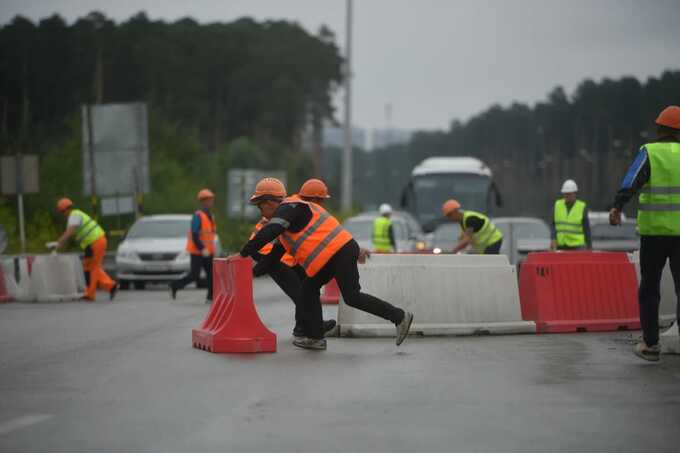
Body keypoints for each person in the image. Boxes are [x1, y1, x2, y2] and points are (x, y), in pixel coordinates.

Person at [240, 177, 414, 351]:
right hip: (335, 254)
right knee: (308, 289)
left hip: (339, 253)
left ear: (270, 202)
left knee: (351, 297)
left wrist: (243, 252)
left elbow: (270, 231)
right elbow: (273, 256)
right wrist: (248, 272)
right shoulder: (288, 221)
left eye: (260, 206)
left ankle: (399, 317)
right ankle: (315, 337)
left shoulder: (290, 207)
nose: (260, 211)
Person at [609, 105, 680, 362]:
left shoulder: (650, 152)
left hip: (655, 233)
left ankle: (651, 344)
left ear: (660, 129)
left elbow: (631, 181)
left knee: (650, 287)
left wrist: (618, 206)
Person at [52, 198, 118, 301]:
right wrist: (61, 245)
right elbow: (72, 234)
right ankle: (111, 286)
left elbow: (70, 232)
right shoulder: (75, 216)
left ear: (67, 209)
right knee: (87, 267)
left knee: (93, 268)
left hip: (96, 241)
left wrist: (58, 243)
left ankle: (90, 294)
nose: (62, 214)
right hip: (91, 243)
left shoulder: (74, 215)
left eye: (62, 211)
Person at [170, 189, 217, 302]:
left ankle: (211, 297)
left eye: (212, 200)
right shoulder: (198, 216)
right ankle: (175, 285)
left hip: (208, 252)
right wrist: (202, 249)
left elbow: (210, 235)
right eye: (209, 200)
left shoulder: (210, 216)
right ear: (203, 202)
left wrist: (208, 250)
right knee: (194, 275)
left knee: (212, 275)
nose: (211, 202)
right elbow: (195, 235)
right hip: (197, 251)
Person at [550, 179, 592, 251]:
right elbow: (553, 225)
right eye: (565, 193)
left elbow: (586, 229)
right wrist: (553, 239)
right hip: (561, 245)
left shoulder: (582, 207)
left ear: (575, 193)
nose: (567, 196)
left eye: (569, 194)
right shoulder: (557, 205)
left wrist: (589, 246)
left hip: (577, 246)